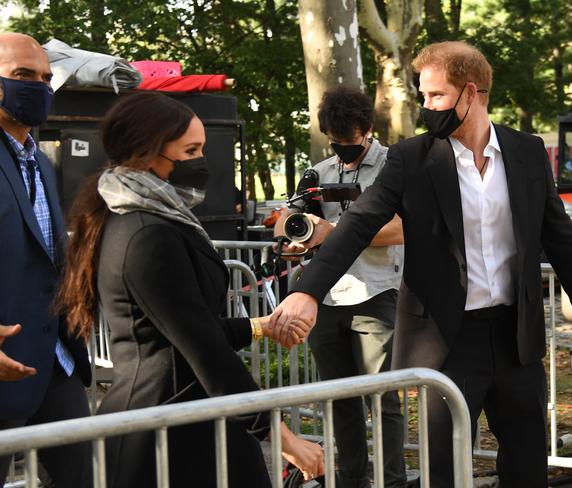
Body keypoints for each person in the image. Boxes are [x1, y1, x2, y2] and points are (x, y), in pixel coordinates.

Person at [270, 41, 572, 487]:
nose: (425, 106)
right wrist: (306, 291)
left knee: (528, 465)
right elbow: (358, 225)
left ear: (470, 93)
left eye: (435, 96)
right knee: (445, 472)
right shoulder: (411, 159)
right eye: (422, 96)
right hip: (447, 342)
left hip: (517, 336)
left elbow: (562, 240)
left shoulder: (527, 152)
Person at [57, 92, 323, 487]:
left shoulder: (156, 218)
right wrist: (282, 437)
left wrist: (260, 325)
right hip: (166, 431)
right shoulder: (146, 234)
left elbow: (189, 324)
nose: (202, 161)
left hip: (192, 416)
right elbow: (203, 349)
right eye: (191, 149)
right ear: (147, 153)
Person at [274, 87, 407, 488]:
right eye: (334, 141)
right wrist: (297, 233)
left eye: (348, 141)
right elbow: (285, 219)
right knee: (340, 398)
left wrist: (337, 233)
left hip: (376, 292)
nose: (341, 148)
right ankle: (352, 480)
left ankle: (391, 481)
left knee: (383, 397)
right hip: (324, 297)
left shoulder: (393, 166)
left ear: (367, 129)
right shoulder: (319, 172)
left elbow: (402, 227)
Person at [0, 32, 92, 487]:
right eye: (22, 76)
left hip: (56, 361)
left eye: (45, 78)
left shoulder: (40, 162)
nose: (38, 87)